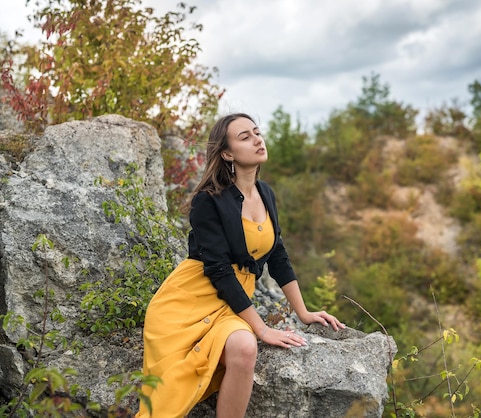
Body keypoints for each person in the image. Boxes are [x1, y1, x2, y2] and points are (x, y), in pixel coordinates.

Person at [136, 113, 344, 418]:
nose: (258, 139)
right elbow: (218, 270)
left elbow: (278, 255)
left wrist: (303, 312)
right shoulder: (208, 201)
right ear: (227, 153)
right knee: (171, 395)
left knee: (244, 349)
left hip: (229, 305)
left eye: (257, 133)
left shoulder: (266, 193)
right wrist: (262, 329)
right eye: (245, 137)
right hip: (188, 302)